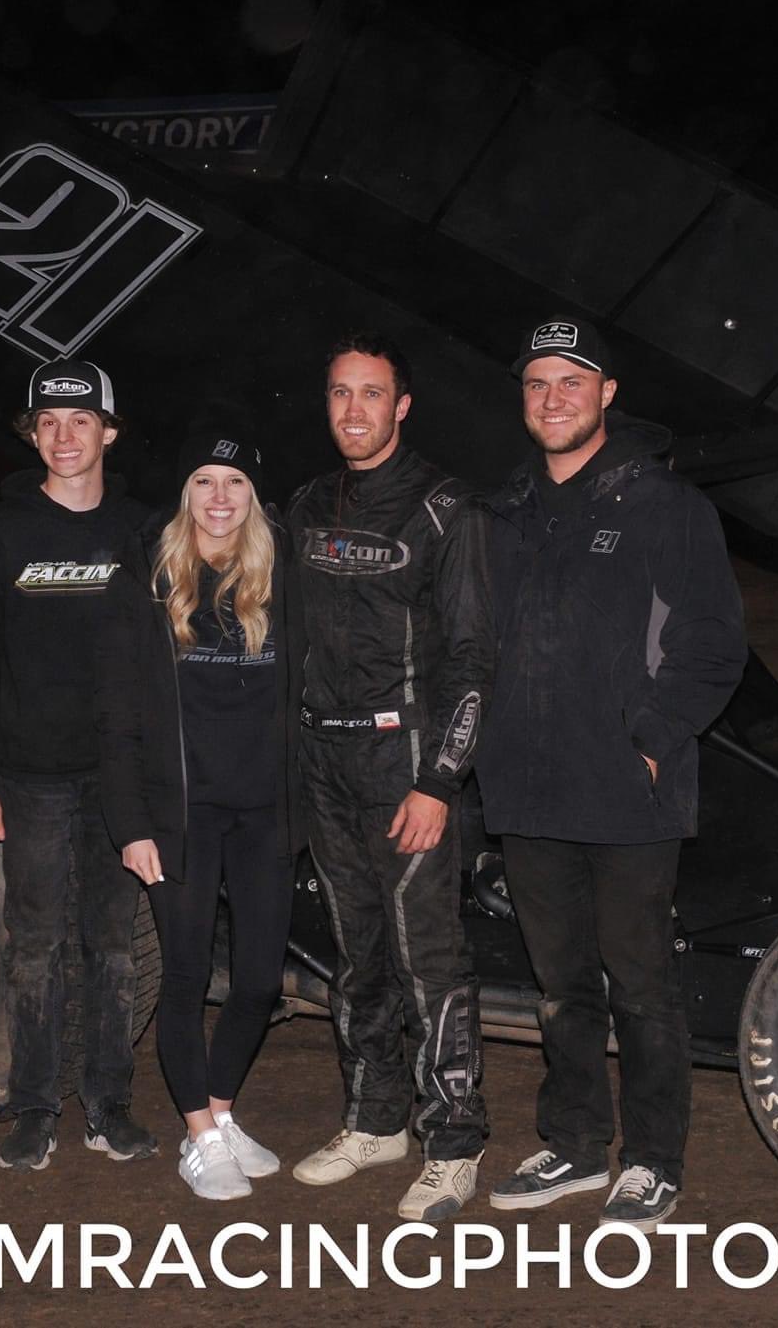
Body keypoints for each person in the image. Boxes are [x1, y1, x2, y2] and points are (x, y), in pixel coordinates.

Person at [477, 318, 747, 1227]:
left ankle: (654, 1159)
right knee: (560, 987)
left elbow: (713, 645)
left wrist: (653, 733)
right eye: (537, 383)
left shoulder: (665, 505)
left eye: (571, 382)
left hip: (629, 792)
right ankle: (577, 1143)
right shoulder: (505, 507)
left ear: (607, 393)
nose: (553, 398)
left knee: (640, 983)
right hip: (527, 791)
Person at [284, 335, 494, 1222]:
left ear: (402, 405)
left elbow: (476, 662)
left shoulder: (446, 509)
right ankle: (376, 1121)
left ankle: (456, 1138)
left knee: (426, 958)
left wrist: (439, 782)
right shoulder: (302, 506)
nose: (353, 411)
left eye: (371, 394)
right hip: (322, 762)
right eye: (339, 394)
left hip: (403, 760)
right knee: (356, 952)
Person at [95, 431, 308, 1201]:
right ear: (185, 494)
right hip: (179, 815)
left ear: (254, 498)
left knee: (256, 981)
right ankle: (197, 1134)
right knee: (185, 976)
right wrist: (132, 824)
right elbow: (116, 714)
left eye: (235, 483)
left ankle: (219, 1114)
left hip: (268, 814)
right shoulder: (146, 580)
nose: (219, 497)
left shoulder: (284, 577)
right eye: (204, 481)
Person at [0, 359, 158, 1170]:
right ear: (33, 433)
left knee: (112, 945)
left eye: (81, 421)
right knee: (34, 943)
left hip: (119, 777)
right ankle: (35, 1105)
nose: (64, 435)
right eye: (48, 422)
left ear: (109, 431)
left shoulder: (143, 531)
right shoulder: (0, 534)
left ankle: (108, 1106)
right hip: (30, 775)